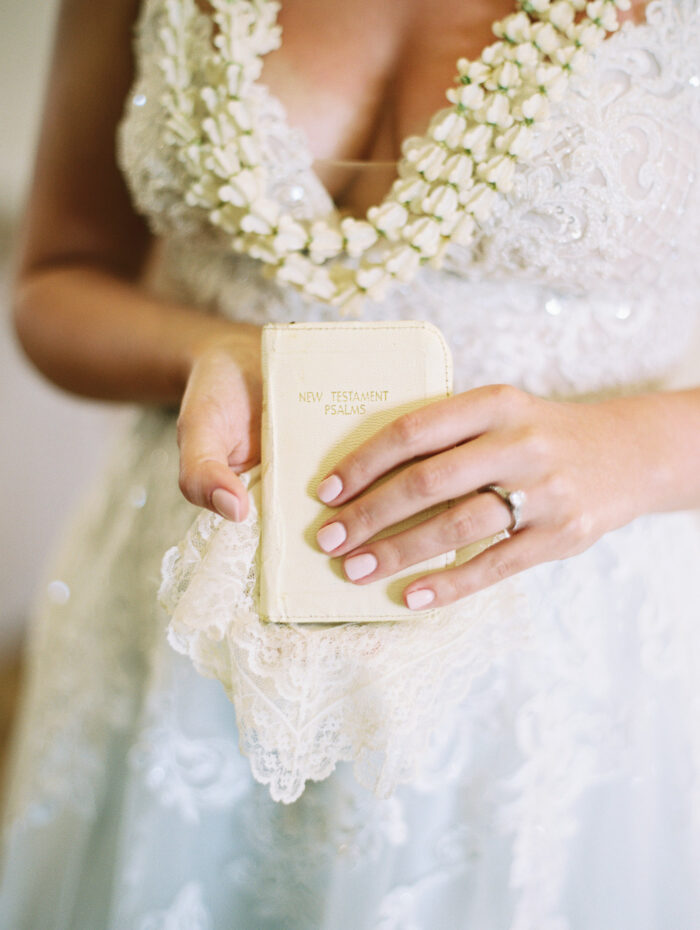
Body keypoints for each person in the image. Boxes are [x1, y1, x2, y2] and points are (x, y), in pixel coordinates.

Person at [2, 0, 700, 926]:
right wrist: (223, 353)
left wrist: (642, 452)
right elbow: (58, 276)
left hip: (565, 652)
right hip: (193, 622)